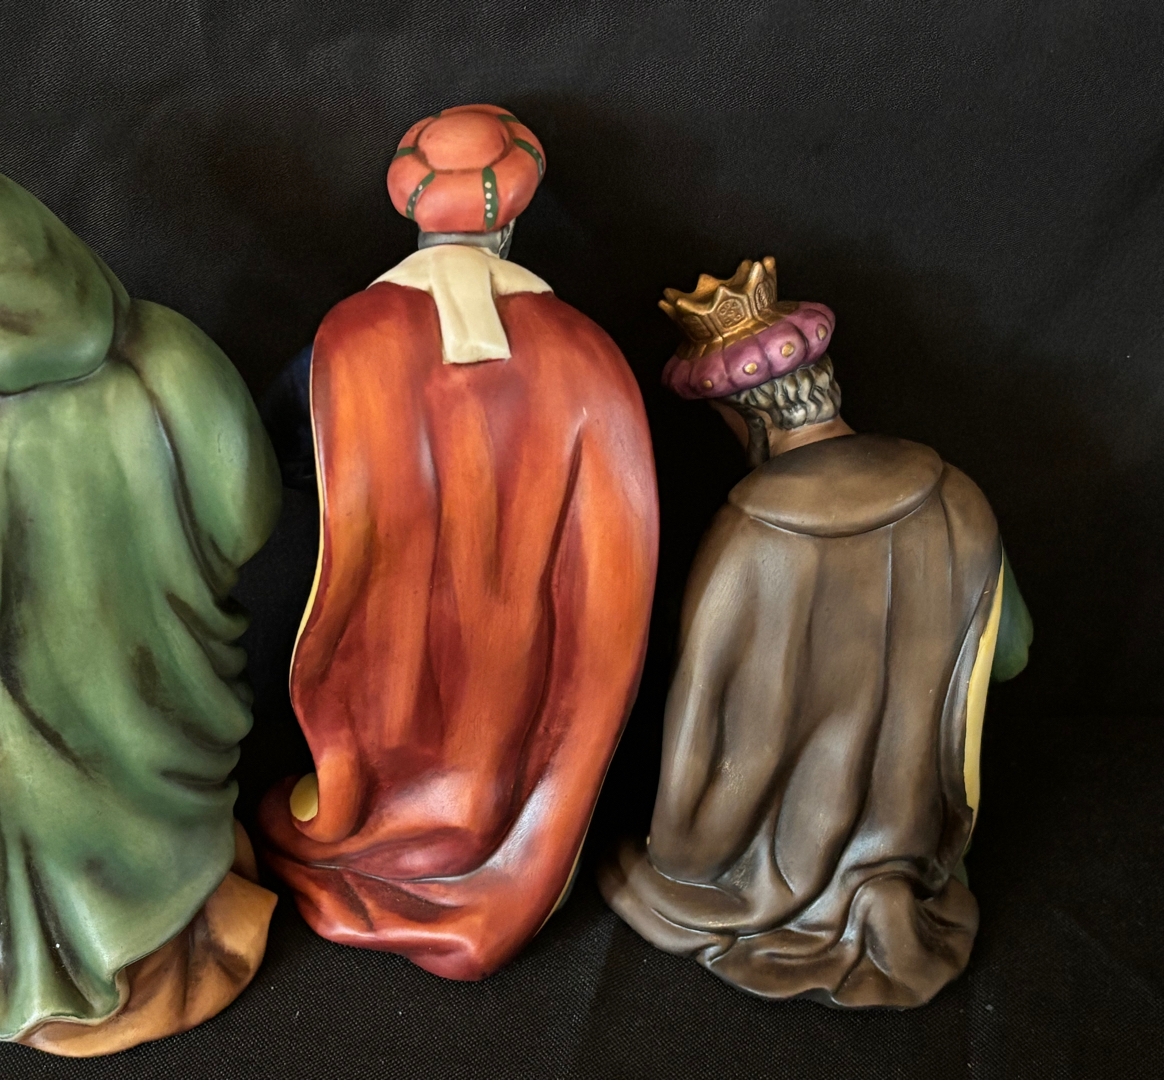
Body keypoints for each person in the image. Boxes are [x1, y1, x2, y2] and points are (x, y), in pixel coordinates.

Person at [0, 164, 281, 1054]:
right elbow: (248, 512)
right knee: (156, 802)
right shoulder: (168, 355)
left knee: (34, 795)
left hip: (22, 721)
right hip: (175, 693)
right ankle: (175, 916)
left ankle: (73, 955)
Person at [257, 106, 659, 980]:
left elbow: (285, 456)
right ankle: (497, 839)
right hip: (520, 688)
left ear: (413, 213)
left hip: (387, 660)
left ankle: (377, 828)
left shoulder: (346, 338)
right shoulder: (589, 353)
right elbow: (611, 573)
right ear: (508, 224)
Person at [599, 257, 1031, 1008]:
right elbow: (1013, 655)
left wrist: (686, 844)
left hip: (773, 862)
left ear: (752, 419)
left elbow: (700, 720)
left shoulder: (744, 535)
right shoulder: (958, 495)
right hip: (924, 841)